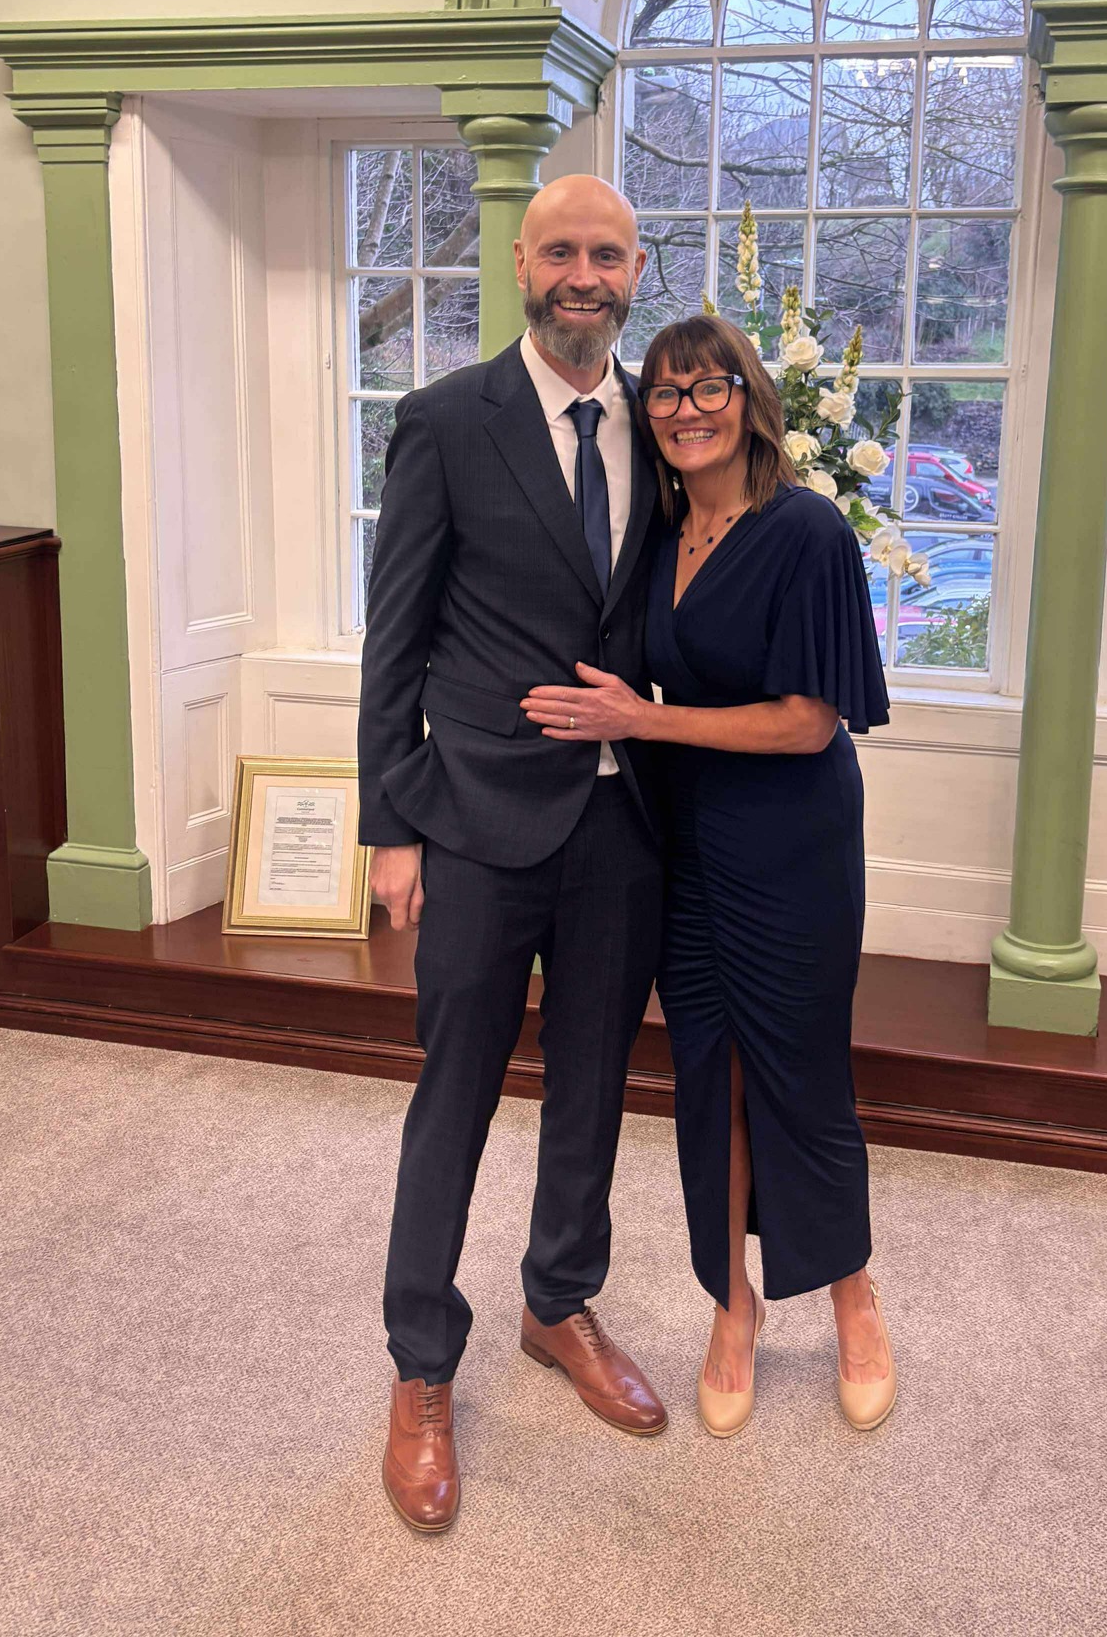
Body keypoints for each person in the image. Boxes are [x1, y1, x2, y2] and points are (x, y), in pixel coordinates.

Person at [522, 313, 897, 1437]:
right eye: (669, 394)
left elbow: (807, 722)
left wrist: (648, 716)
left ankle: (852, 1295)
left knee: (801, 1072)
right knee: (708, 1084)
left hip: (791, 847)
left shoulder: (808, 531)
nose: (687, 410)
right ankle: (732, 1306)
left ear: (749, 398)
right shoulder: (659, 534)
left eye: (709, 387)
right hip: (681, 850)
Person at [358, 175, 667, 1534]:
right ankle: (422, 1364)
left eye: (606, 252)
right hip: (480, 819)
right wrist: (390, 824)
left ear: (636, 267)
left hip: (627, 825)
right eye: (561, 251)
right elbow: (397, 640)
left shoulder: (674, 421)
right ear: (522, 264)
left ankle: (560, 1302)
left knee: (595, 1081)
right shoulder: (443, 422)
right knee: (457, 1096)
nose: (582, 273)